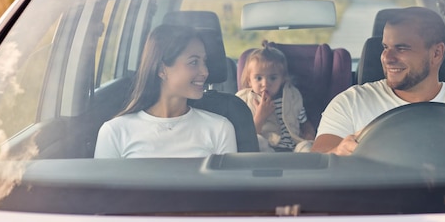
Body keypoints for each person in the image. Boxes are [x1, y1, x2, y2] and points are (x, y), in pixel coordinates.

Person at [312, 6, 445, 156]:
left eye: (402, 48)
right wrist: (339, 152)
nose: (387, 58)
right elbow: (318, 165)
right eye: (385, 47)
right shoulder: (350, 103)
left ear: (436, 53)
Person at [94, 24, 237, 158]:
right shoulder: (115, 132)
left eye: (204, 62)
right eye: (193, 62)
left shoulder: (220, 129)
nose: (205, 72)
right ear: (162, 70)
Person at [236, 41, 315, 152]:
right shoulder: (244, 101)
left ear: (282, 79)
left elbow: (304, 121)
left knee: (308, 147)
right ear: (249, 81)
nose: (265, 84)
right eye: (258, 78)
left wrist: (309, 134)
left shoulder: (292, 96)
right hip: (267, 150)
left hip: (294, 148)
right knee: (258, 141)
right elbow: (244, 139)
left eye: (272, 78)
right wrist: (260, 115)